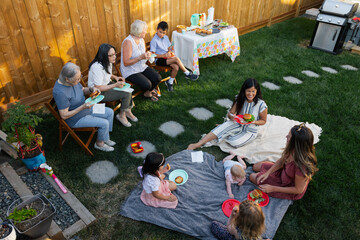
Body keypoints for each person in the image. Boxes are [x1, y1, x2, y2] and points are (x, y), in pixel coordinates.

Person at [188, 78, 268, 150]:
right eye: (248, 91)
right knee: (221, 129)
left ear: (257, 91)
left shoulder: (261, 104)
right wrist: (232, 117)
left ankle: (223, 131)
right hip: (237, 124)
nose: (250, 94)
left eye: (253, 91)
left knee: (234, 142)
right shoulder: (239, 98)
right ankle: (198, 144)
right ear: (244, 90)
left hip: (250, 131)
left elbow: (263, 121)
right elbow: (230, 114)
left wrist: (253, 122)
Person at [53, 62, 115, 152]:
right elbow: (64, 115)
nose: (79, 80)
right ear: (67, 79)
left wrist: (91, 89)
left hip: (86, 107)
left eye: (80, 77)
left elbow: (82, 90)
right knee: (104, 123)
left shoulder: (72, 81)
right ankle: (99, 144)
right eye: (77, 79)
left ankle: (105, 137)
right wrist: (83, 107)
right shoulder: (60, 92)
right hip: (75, 118)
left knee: (110, 112)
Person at [249, 123, 318, 200]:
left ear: (294, 144)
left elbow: (298, 190)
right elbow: (282, 160)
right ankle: (269, 174)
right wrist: (267, 173)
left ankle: (270, 180)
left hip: (288, 186)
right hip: (284, 171)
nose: (286, 137)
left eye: (289, 137)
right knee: (255, 166)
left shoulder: (302, 166)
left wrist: (273, 188)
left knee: (252, 176)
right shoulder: (291, 149)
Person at [88, 43, 137, 127]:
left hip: (107, 84)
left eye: (114, 54)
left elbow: (107, 73)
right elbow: (98, 87)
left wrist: (115, 77)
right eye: (111, 55)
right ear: (104, 56)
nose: (114, 57)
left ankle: (128, 111)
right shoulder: (96, 67)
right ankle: (121, 115)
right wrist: (115, 85)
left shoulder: (107, 61)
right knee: (127, 93)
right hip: (98, 92)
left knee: (128, 88)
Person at [150, 21, 199, 91]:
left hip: (166, 57)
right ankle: (187, 73)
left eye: (163, 33)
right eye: (160, 32)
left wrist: (169, 52)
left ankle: (169, 82)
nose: (161, 34)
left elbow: (169, 48)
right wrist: (163, 55)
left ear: (166, 32)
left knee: (176, 67)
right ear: (157, 29)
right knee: (176, 59)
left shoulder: (166, 37)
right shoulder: (154, 40)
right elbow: (153, 55)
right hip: (159, 60)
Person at [121, 20, 162, 102]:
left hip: (141, 66)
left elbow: (142, 53)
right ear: (139, 31)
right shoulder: (128, 42)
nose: (146, 32)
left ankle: (148, 92)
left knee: (157, 78)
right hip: (130, 70)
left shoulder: (141, 40)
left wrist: (147, 54)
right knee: (147, 84)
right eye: (145, 30)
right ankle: (148, 91)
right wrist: (140, 57)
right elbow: (126, 63)